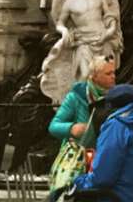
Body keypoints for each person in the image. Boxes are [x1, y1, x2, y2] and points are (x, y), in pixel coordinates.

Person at [70, 84, 133, 202]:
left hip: (118, 196)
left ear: (110, 107)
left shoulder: (117, 126)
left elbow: (102, 179)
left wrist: (76, 181)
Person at [47, 56, 117, 198]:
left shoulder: (116, 97)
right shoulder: (76, 96)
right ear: (94, 76)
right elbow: (53, 126)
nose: (113, 77)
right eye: (108, 73)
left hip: (103, 157)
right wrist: (71, 128)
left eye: (114, 72)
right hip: (78, 159)